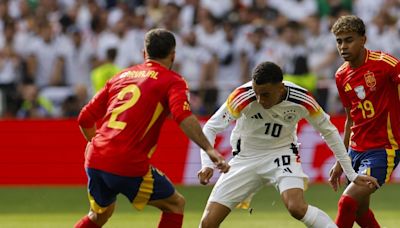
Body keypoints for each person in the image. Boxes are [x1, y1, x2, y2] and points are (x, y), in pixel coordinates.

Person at [74, 28, 230, 228]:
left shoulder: (121, 76)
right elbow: (182, 116)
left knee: (98, 216)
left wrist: (102, 147)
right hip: (127, 160)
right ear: (173, 55)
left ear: (144, 53)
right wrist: (209, 149)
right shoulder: (173, 81)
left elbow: (84, 118)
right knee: (175, 204)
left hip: (95, 157)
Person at [197, 61, 379, 228]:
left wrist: (351, 173)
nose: (260, 100)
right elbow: (210, 127)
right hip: (245, 157)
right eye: (257, 93)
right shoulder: (243, 96)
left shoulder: (302, 99)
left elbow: (329, 132)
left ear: (281, 88)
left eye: (266, 94)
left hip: (281, 154)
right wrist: (207, 163)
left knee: (297, 207)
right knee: (207, 223)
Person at [329, 15, 400, 228]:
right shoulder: (341, 75)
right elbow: (351, 119)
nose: (343, 46)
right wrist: (341, 160)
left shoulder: (386, 65)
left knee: (347, 202)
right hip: (355, 150)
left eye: (349, 40)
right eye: (339, 41)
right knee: (359, 211)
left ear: (363, 40)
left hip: (383, 149)